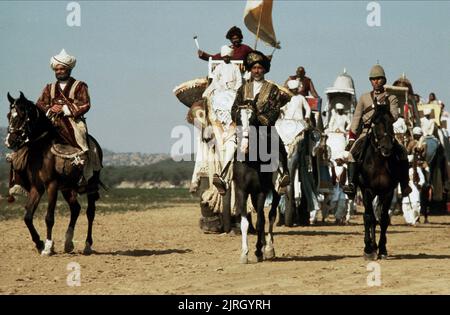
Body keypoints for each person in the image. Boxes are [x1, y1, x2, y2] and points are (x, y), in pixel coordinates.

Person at [212, 50, 290, 194]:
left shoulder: (272, 89)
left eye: (259, 68)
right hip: (244, 127)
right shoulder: (243, 88)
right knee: (230, 145)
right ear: (250, 70)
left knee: (278, 143)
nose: (257, 71)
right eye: (254, 68)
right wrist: (242, 119)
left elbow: (275, 109)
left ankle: (282, 176)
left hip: (264, 128)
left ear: (264, 69)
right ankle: (224, 177)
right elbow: (234, 108)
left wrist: (259, 118)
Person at [343, 64, 411, 199]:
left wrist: (383, 113)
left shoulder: (391, 98)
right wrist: (352, 138)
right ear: (370, 81)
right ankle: (351, 184)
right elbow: (356, 118)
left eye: (379, 79)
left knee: (402, 151)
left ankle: (404, 184)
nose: (376, 81)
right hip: (367, 131)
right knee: (351, 155)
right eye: (373, 79)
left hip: (385, 131)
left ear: (384, 80)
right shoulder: (364, 98)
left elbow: (395, 115)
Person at [36, 49, 91, 184]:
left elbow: (85, 104)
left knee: (81, 141)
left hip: (72, 121)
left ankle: (83, 172)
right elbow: (39, 103)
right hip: (51, 120)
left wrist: (65, 109)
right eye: (57, 69)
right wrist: (50, 108)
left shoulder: (80, 86)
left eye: (62, 68)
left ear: (68, 69)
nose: (59, 71)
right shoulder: (49, 87)